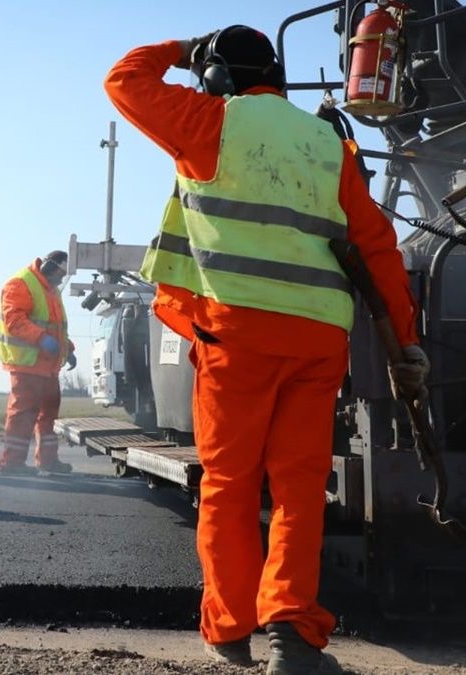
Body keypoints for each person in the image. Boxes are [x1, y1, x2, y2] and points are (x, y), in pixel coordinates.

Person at [105, 27, 427, 675]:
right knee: (299, 489)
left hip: (238, 338)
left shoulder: (208, 120)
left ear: (217, 77)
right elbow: (378, 248)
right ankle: (292, 634)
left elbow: (124, 80)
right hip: (316, 341)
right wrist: (406, 347)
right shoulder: (325, 144)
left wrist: (182, 47)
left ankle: (228, 628)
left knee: (228, 484)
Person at [0, 251, 76, 476]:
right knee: (22, 414)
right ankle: (11, 464)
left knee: (49, 415)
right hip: (27, 364)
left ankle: (48, 461)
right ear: (50, 267)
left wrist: (67, 348)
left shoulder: (51, 289)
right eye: (61, 274)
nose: (61, 280)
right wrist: (42, 339)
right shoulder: (20, 283)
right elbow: (15, 321)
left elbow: (55, 325)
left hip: (49, 366)